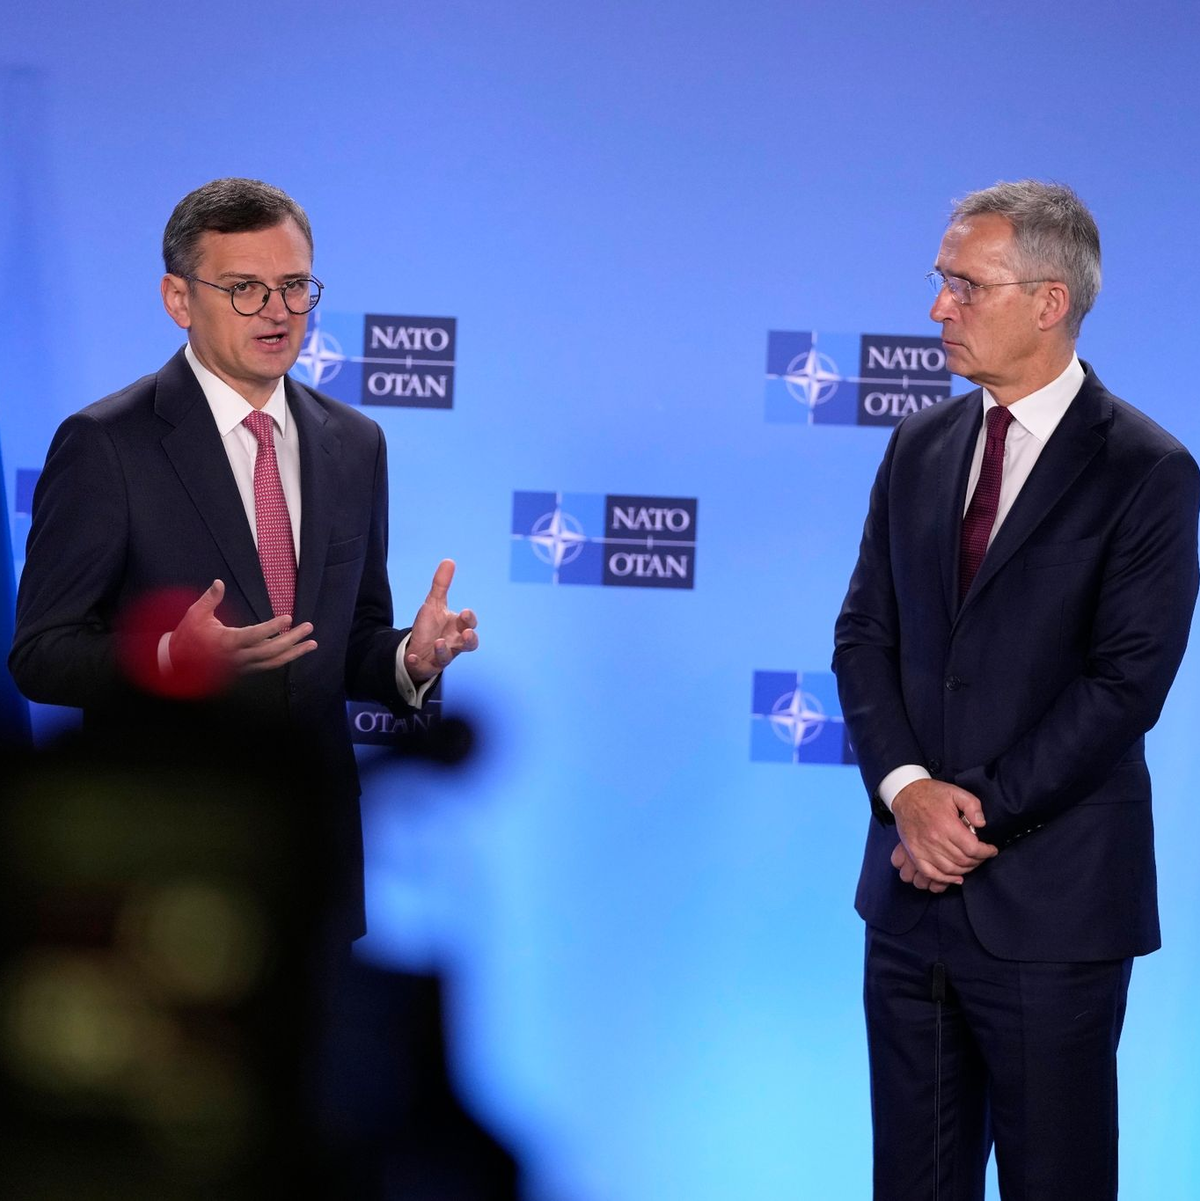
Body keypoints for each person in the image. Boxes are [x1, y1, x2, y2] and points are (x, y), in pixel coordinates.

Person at [833, 180, 1199, 1200]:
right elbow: (864, 633)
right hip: (909, 900)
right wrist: (908, 792)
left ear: (1049, 302)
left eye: (963, 284)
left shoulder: (1148, 470)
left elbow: (1125, 683)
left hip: (1054, 904)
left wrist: (972, 815)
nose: (937, 308)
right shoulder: (917, 448)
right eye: (939, 282)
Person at [9, 177, 478, 940]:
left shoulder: (355, 443)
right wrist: (167, 656)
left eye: (294, 286)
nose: (278, 311)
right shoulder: (106, 445)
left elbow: (346, 638)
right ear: (178, 298)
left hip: (312, 851)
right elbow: (40, 654)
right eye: (246, 288)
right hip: (163, 861)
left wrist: (409, 660)